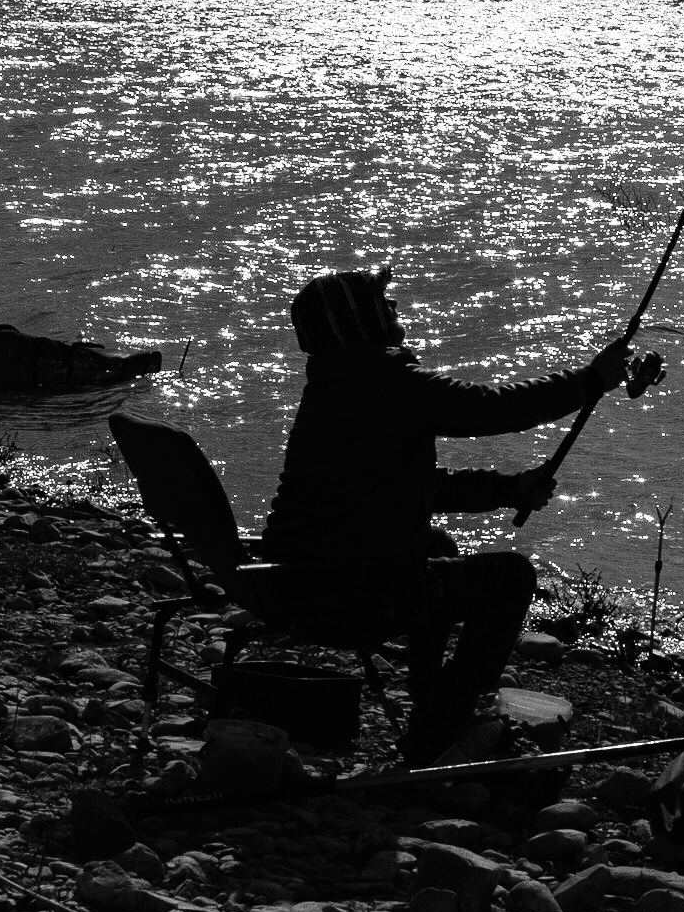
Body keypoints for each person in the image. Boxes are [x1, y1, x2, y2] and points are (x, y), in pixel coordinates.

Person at [260, 266, 632, 765]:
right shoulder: (384, 384)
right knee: (511, 577)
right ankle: (442, 724)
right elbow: (492, 409)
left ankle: (432, 710)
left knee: (436, 548)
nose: (394, 308)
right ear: (360, 321)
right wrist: (589, 381)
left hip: (302, 578)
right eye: (382, 303)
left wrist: (508, 488)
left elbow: (411, 488)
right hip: (347, 589)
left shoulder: (337, 387)